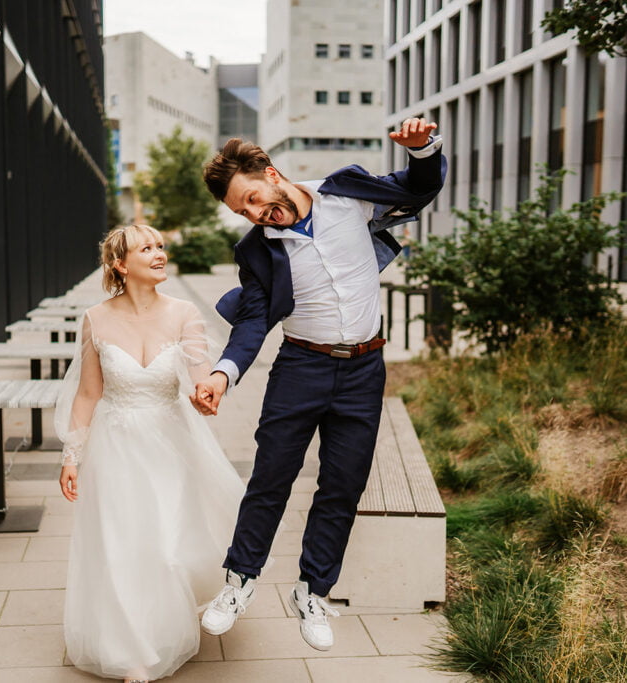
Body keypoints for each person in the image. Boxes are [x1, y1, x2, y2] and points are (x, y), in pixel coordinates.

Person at [190, 118, 446, 651]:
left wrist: (423, 152)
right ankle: (240, 581)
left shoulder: (346, 195)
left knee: (342, 485)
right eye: (244, 211)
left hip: (363, 371)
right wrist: (223, 372)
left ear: (272, 173)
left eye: (256, 198)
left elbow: (419, 189)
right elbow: (254, 321)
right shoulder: (257, 250)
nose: (258, 213)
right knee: (271, 477)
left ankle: (312, 591)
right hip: (300, 370)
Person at [56, 224, 245, 682]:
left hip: (170, 442)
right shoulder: (96, 319)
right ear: (121, 264)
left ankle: (166, 625)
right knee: (122, 545)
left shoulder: (185, 314)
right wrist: (71, 455)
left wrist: (207, 394)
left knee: (166, 545)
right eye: (147, 248)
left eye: (161, 246)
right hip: (116, 443)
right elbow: (87, 394)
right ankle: (134, 654)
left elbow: (201, 375)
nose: (160, 253)